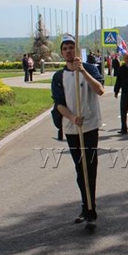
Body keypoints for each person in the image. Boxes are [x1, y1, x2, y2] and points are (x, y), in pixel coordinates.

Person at [51, 34, 105, 229]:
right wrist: (73, 118)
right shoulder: (59, 76)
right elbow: (58, 104)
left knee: (90, 167)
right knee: (79, 169)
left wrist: (83, 71)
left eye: (71, 47)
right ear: (61, 52)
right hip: (73, 128)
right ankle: (86, 205)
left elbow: (100, 90)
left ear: (77, 48)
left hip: (90, 126)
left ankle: (91, 209)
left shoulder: (89, 68)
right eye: (65, 48)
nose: (68, 51)